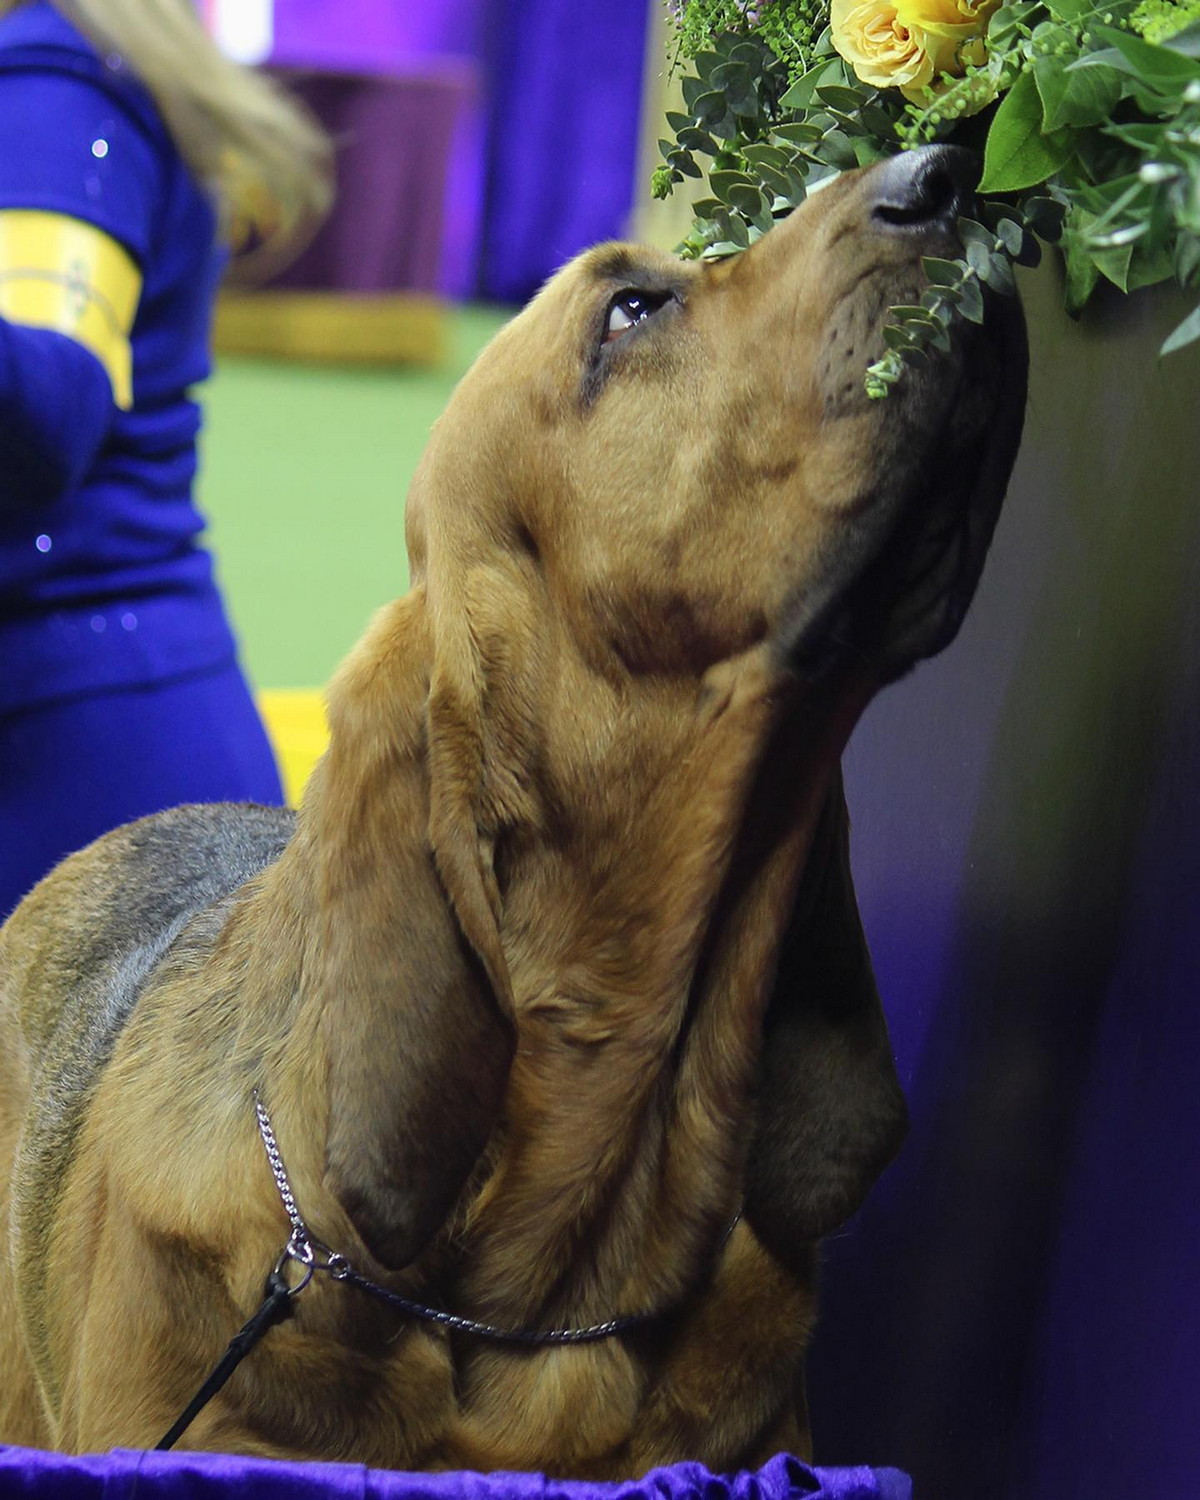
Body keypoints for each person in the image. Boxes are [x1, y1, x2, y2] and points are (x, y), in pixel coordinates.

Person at [0, 0, 332, 920]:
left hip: (75, 777)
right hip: (115, 744)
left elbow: (48, 413)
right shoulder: (87, 57)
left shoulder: (51, 76)